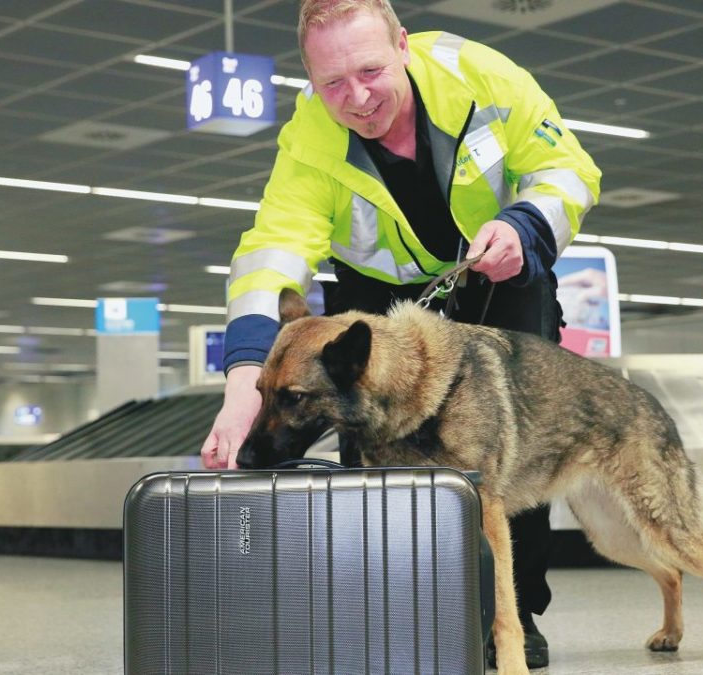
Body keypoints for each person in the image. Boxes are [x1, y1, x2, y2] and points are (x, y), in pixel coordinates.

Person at [200, 0, 601, 667]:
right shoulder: (309, 140)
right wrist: (246, 378)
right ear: (311, 81)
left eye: (369, 70)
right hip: (377, 296)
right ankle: (398, 600)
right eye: (332, 84)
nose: (355, 98)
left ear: (403, 47)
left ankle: (516, 610)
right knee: (370, 446)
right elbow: (269, 253)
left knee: (511, 442)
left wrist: (527, 225)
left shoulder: (484, 79)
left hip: (500, 268)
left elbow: (570, 171)